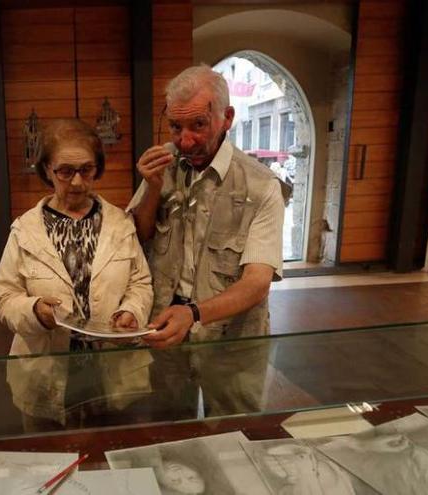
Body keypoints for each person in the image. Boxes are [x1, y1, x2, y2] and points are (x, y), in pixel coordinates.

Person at [128, 65, 286, 418]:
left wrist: (195, 314)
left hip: (231, 338)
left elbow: (258, 282)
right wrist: (152, 190)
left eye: (198, 124)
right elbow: (140, 237)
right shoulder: (163, 165)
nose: (185, 141)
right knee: (167, 427)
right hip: (166, 329)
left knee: (234, 432)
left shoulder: (261, 186)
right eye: (175, 126)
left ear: (227, 117)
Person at [0, 118, 153, 427]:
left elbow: (140, 282)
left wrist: (131, 311)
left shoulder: (121, 224)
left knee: (113, 460)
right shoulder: (24, 230)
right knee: (47, 459)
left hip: (112, 371)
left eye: (86, 170)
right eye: (65, 172)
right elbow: (5, 297)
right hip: (45, 369)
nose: (78, 182)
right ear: (46, 170)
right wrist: (34, 311)